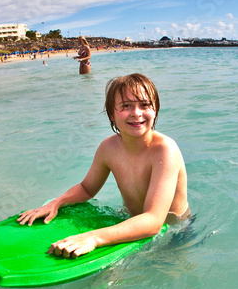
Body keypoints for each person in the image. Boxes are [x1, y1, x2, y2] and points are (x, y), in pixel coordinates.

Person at [17, 73, 189, 258]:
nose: (137, 113)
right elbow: (86, 188)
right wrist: (55, 203)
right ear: (111, 114)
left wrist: (92, 238)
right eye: (126, 106)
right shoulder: (108, 148)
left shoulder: (165, 150)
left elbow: (154, 220)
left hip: (174, 232)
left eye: (145, 105)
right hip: (132, 222)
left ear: (155, 110)